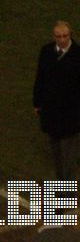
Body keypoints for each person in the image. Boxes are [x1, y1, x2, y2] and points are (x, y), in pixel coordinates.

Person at [33, 21, 80, 181]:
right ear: (54, 37)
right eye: (58, 36)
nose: (62, 39)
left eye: (65, 36)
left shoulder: (78, 55)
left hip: (70, 115)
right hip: (51, 112)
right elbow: (40, 78)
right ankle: (62, 194)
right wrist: (37, 102)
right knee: (57, 159)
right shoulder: (46, 52)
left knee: (68, 159)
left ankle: (67, 197)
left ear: (70, 35)